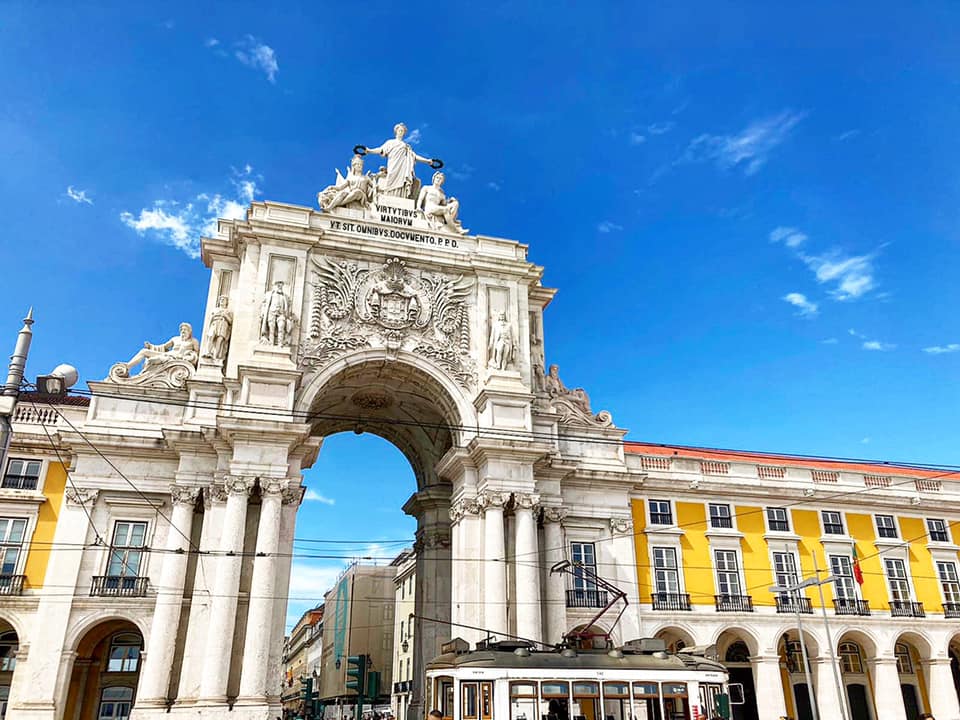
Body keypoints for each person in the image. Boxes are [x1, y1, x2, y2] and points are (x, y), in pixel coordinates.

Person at [364, 123, 435, 199]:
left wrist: (427, 161)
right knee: (390, 181)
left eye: (403, 131)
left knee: (402, 183)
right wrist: (369, 150)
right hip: (393, 165)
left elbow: (414, 156)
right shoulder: (390, 142)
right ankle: (388, 197)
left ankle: (401, 199)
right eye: (399, 130)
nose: (401, 132)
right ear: (396, 131)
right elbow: (380, 150)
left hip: (403, 169)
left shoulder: (406, 146)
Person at [122, 322, 199, 374]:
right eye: (181, 330)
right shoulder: (175, 339)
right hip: (168, 355)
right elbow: (164, 346)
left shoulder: (193, 341)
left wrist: (189, 356)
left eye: (185, 330)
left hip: (177, 358)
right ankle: (128, 366)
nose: (183, 331)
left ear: (190, 331)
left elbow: (197, 354)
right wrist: (151, 346)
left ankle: (146, 373)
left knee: (152, 361)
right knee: (144, 351)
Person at [261, 280, 291, 346]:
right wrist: (263, 313)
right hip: (271, 313)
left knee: (281, 327)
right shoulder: (269, 294)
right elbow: (264, 304)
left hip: (281, 314)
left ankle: (280, 343)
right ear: (275, 285)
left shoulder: (285, 296)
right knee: (271, 329)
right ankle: (271, 343)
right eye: (278, 285)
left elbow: (288, 307)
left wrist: (288, 316)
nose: (279, 286)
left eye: (281, 285)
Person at [203, 295, 233, 362]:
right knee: (210, 336)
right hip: (215, 323)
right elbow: (210, 319)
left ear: (226, 302)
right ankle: (208, 352)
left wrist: (225, 316)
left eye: (223, 299)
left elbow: (230, 321)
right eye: (221, 299)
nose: (222, 301)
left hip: (223, 324)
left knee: (220, 340)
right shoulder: (215, 309)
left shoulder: (228, 311)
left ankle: (215, 356)